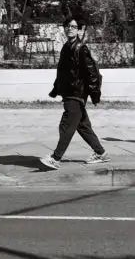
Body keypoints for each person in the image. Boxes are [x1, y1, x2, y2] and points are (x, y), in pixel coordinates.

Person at [41, 16, 108, 170]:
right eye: (67, 26)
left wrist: (95, 94)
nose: (69, 29)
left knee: (67, 125)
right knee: (82, 125)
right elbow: (63, 72)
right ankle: (100, 153)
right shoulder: (66, 47)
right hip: (69, 92)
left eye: (73, 26)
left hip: (76, 94)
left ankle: (55, 158)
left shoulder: (81, 48)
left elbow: (91, 73)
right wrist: (56, 89)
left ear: (78, 30)